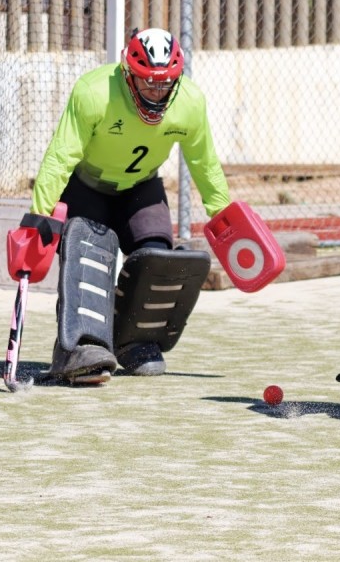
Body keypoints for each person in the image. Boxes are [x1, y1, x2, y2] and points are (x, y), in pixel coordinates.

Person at [28, 27, 230, 385]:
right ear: (127, 73)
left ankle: (135, 343)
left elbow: (205, 164)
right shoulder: (93, 92)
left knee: (156, 258)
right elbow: (61, 156)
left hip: (141, 188)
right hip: (88, 187)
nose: (157, 91)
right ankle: (78, 348)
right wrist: (40, 215)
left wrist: (225, 219)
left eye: (166, 82)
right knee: (86, 255)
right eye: (147, 82)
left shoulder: (190, 104)